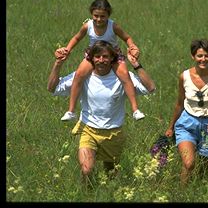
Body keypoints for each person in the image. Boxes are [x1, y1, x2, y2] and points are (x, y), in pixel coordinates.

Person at [48, 40, 155, 184]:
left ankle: (105, 194)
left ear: (112, 58)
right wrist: (58, 64)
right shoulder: (82, 76)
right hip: (88, 129)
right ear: (91, 58)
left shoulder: (123, 76)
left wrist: (136, 65)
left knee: (110, 174)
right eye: (97, 57)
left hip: (113, 132)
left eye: (105, 57)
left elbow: (150, 88)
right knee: (86, 169)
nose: (101, 60)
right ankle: (87, 194)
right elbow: (53, 88)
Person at [55, 0, 145, 122]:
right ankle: (71, 111)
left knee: (124, 75)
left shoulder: (113, 26)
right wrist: (68, 49)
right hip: (94, 54)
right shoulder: (88, 26)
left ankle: (135, 109)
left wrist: (132, 46)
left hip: (113, 54)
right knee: (79, 75)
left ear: (108, 15)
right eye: (95, 16)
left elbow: (127, 37)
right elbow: (76, 38)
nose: (98, 19)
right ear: (91, 14)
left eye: (102, 16)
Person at [165, 39, 208, 185]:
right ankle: (182, 194)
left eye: (207, 56)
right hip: (187, 122)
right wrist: (170, 127)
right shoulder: (184, 76)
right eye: (199, 56)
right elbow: (179, 104)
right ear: (193, 56)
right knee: (189, 163)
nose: (203, 59)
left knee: (205, 170)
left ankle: (199, 192)